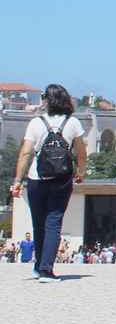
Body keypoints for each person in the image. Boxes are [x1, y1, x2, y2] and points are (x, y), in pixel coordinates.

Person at [8, 84, 88, 282]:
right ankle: (46, 269)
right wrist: (81, 172)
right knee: (54, 221)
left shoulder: (36, 122)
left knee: (38, 223)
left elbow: (26, 152)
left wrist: (18, 180)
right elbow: (81, 152)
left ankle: (38, 267)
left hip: (37, 177)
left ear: (47, 100)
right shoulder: (73, 122)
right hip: (62, 178)